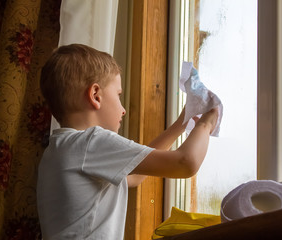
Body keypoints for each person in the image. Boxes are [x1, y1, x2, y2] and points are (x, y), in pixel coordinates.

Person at [37, 43, 218, 240]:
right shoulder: (91, 142)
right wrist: (206, 125)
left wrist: (181, 125)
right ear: (95, 95)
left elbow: (134, 177)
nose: (123, 109)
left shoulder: (58, 151)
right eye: (118, 95)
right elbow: (185, 163)